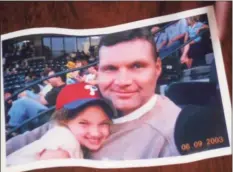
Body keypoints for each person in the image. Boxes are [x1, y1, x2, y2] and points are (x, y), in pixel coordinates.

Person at [6, 28, 181, 160]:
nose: (122, 81)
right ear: (99, 72)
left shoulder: (172, 137)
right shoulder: (92, 100)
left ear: (157, 67)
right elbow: (30, 137)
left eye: (137, 66)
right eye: (110, 68)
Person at [6, 82, 115, 166]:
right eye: (83, 123)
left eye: (103, 123)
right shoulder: (62, 147)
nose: (95, 133)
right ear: (64, 120)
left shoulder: (72, 137)